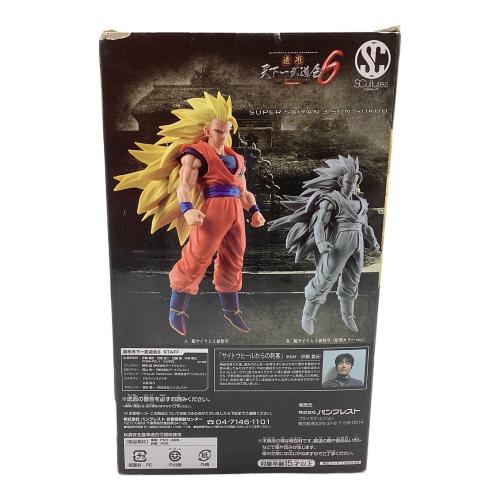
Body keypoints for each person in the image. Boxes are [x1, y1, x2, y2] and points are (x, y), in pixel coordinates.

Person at [114, 92, 265, 335]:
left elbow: (244, 192)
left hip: (236, 212)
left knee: (234, 259)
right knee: (197, 258)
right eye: (218, 131)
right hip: (212, 211)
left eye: (226, 131)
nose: (223, 135)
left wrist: (255, 211)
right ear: (207, 130)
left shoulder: (237, 158)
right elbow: (183, 186)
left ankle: (231, 310)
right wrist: (187, 210)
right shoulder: (196, 154)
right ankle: (176, 310)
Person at [269, 155, 379, 335]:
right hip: (340, 240)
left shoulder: (361, 202)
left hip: (358, 241)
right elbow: (320, 222)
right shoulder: (332, 199)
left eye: (355, 182)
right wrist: (320, 242)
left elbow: (365, 226)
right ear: (340, 181)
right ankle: (307, 315)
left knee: (352, 279)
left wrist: (373, 241)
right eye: (349, 182)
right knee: (326, 277)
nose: (352, 185)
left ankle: (348, 316)